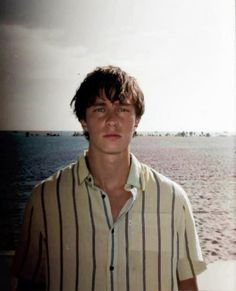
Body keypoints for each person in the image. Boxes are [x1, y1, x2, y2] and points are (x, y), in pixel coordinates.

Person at [11, 65, 206, 291]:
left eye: (122, 109)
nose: (112, 120)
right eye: (100, 109)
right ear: (84, 120)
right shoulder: (45, 200)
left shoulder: (173, 200)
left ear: (137, 120)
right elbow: (28, 284)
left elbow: (187, 286)